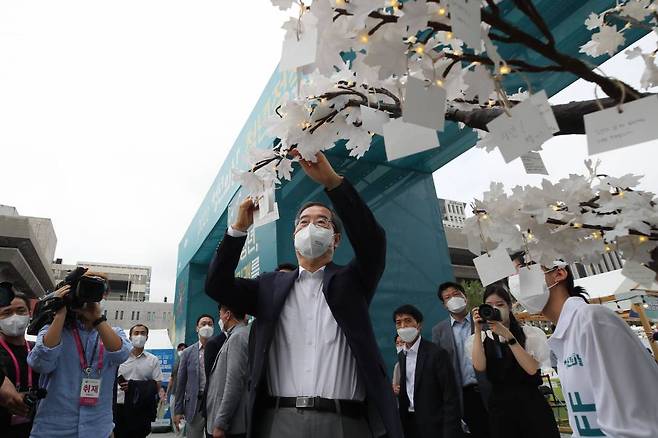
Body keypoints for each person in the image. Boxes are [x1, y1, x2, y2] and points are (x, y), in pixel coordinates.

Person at [205, 150, 402, 438]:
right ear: (294, 237)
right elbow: (216, 285)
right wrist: (238, 229)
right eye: (304, 222)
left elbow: (372, 241)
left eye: (322, 222)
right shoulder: (268, 288)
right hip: (280, 421)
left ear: (335, 240)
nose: (312, 227)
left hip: (346, 422)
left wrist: (332, 182)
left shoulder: (352, 282)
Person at [510, 260, 658, 437]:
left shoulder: (591, 319)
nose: (517, 280)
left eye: (526, 268)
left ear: (559, 273)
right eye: (514, 274)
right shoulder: (564, 337)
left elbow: (631, 426)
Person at [27, 273, 132, 438]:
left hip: (98, 429)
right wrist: (60, 313)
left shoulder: (113, 333)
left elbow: (121, 355)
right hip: (53, 430)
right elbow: (40, 364)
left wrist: (97, 319)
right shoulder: (53, 330)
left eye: (97, 290)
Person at [468, 284, 559, 438]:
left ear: (510, 307)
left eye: (500, 305)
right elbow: (479, 366)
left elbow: (531, 369)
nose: (495, 309)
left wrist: (508, 336)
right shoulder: (481, 339)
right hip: (501, 410)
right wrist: (477, 329)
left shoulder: (530, 334)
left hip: (531, 405)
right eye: (489, 306)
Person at [432, 282, 491, 438]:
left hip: (489, 387)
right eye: (448, 297)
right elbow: (440, 367)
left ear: (465, 296)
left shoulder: (483, 320)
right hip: (463, 394)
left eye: (456, 294)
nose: (453, 298)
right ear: (444, 304)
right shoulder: (439, 331)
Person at [393, 304, 461, 438]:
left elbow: (450, 396)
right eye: (398, 323)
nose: (403, 326)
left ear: (418, 325)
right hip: (410, 424)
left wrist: (449, 431)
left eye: (408, 321)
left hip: (434, 425)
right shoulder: (402, 355)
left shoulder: (436, 354)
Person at [0, 283, 38, 438]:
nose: (14, 317)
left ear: (29, 313)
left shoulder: (39, 351)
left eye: (20, 311)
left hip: (35, 430)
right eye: (7, 312)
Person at [206, 304, 250, 438]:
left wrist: (220, 423)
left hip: (231, 427)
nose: (220, 318)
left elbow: (234, 382)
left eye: (220, 313)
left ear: (228, 315)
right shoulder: (235, 335)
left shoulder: (238, 337)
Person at [114, 323, 164, 438]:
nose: (139, 336)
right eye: (136, 333)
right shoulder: (120, 358)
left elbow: (157, 385)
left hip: (141, 409)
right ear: (130, 337)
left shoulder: (153, 360)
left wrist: (134, 387)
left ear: (147, 337)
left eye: (143, 333)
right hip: (120, 407)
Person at [174, 314, 215, 438]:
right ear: (197, 328)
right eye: (203, 324)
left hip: (213, 403)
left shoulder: (220, 349)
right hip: (194, 404)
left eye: (210, 324)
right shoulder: (187, 353)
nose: (206, 326)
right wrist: (178, 410)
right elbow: (180, 383)